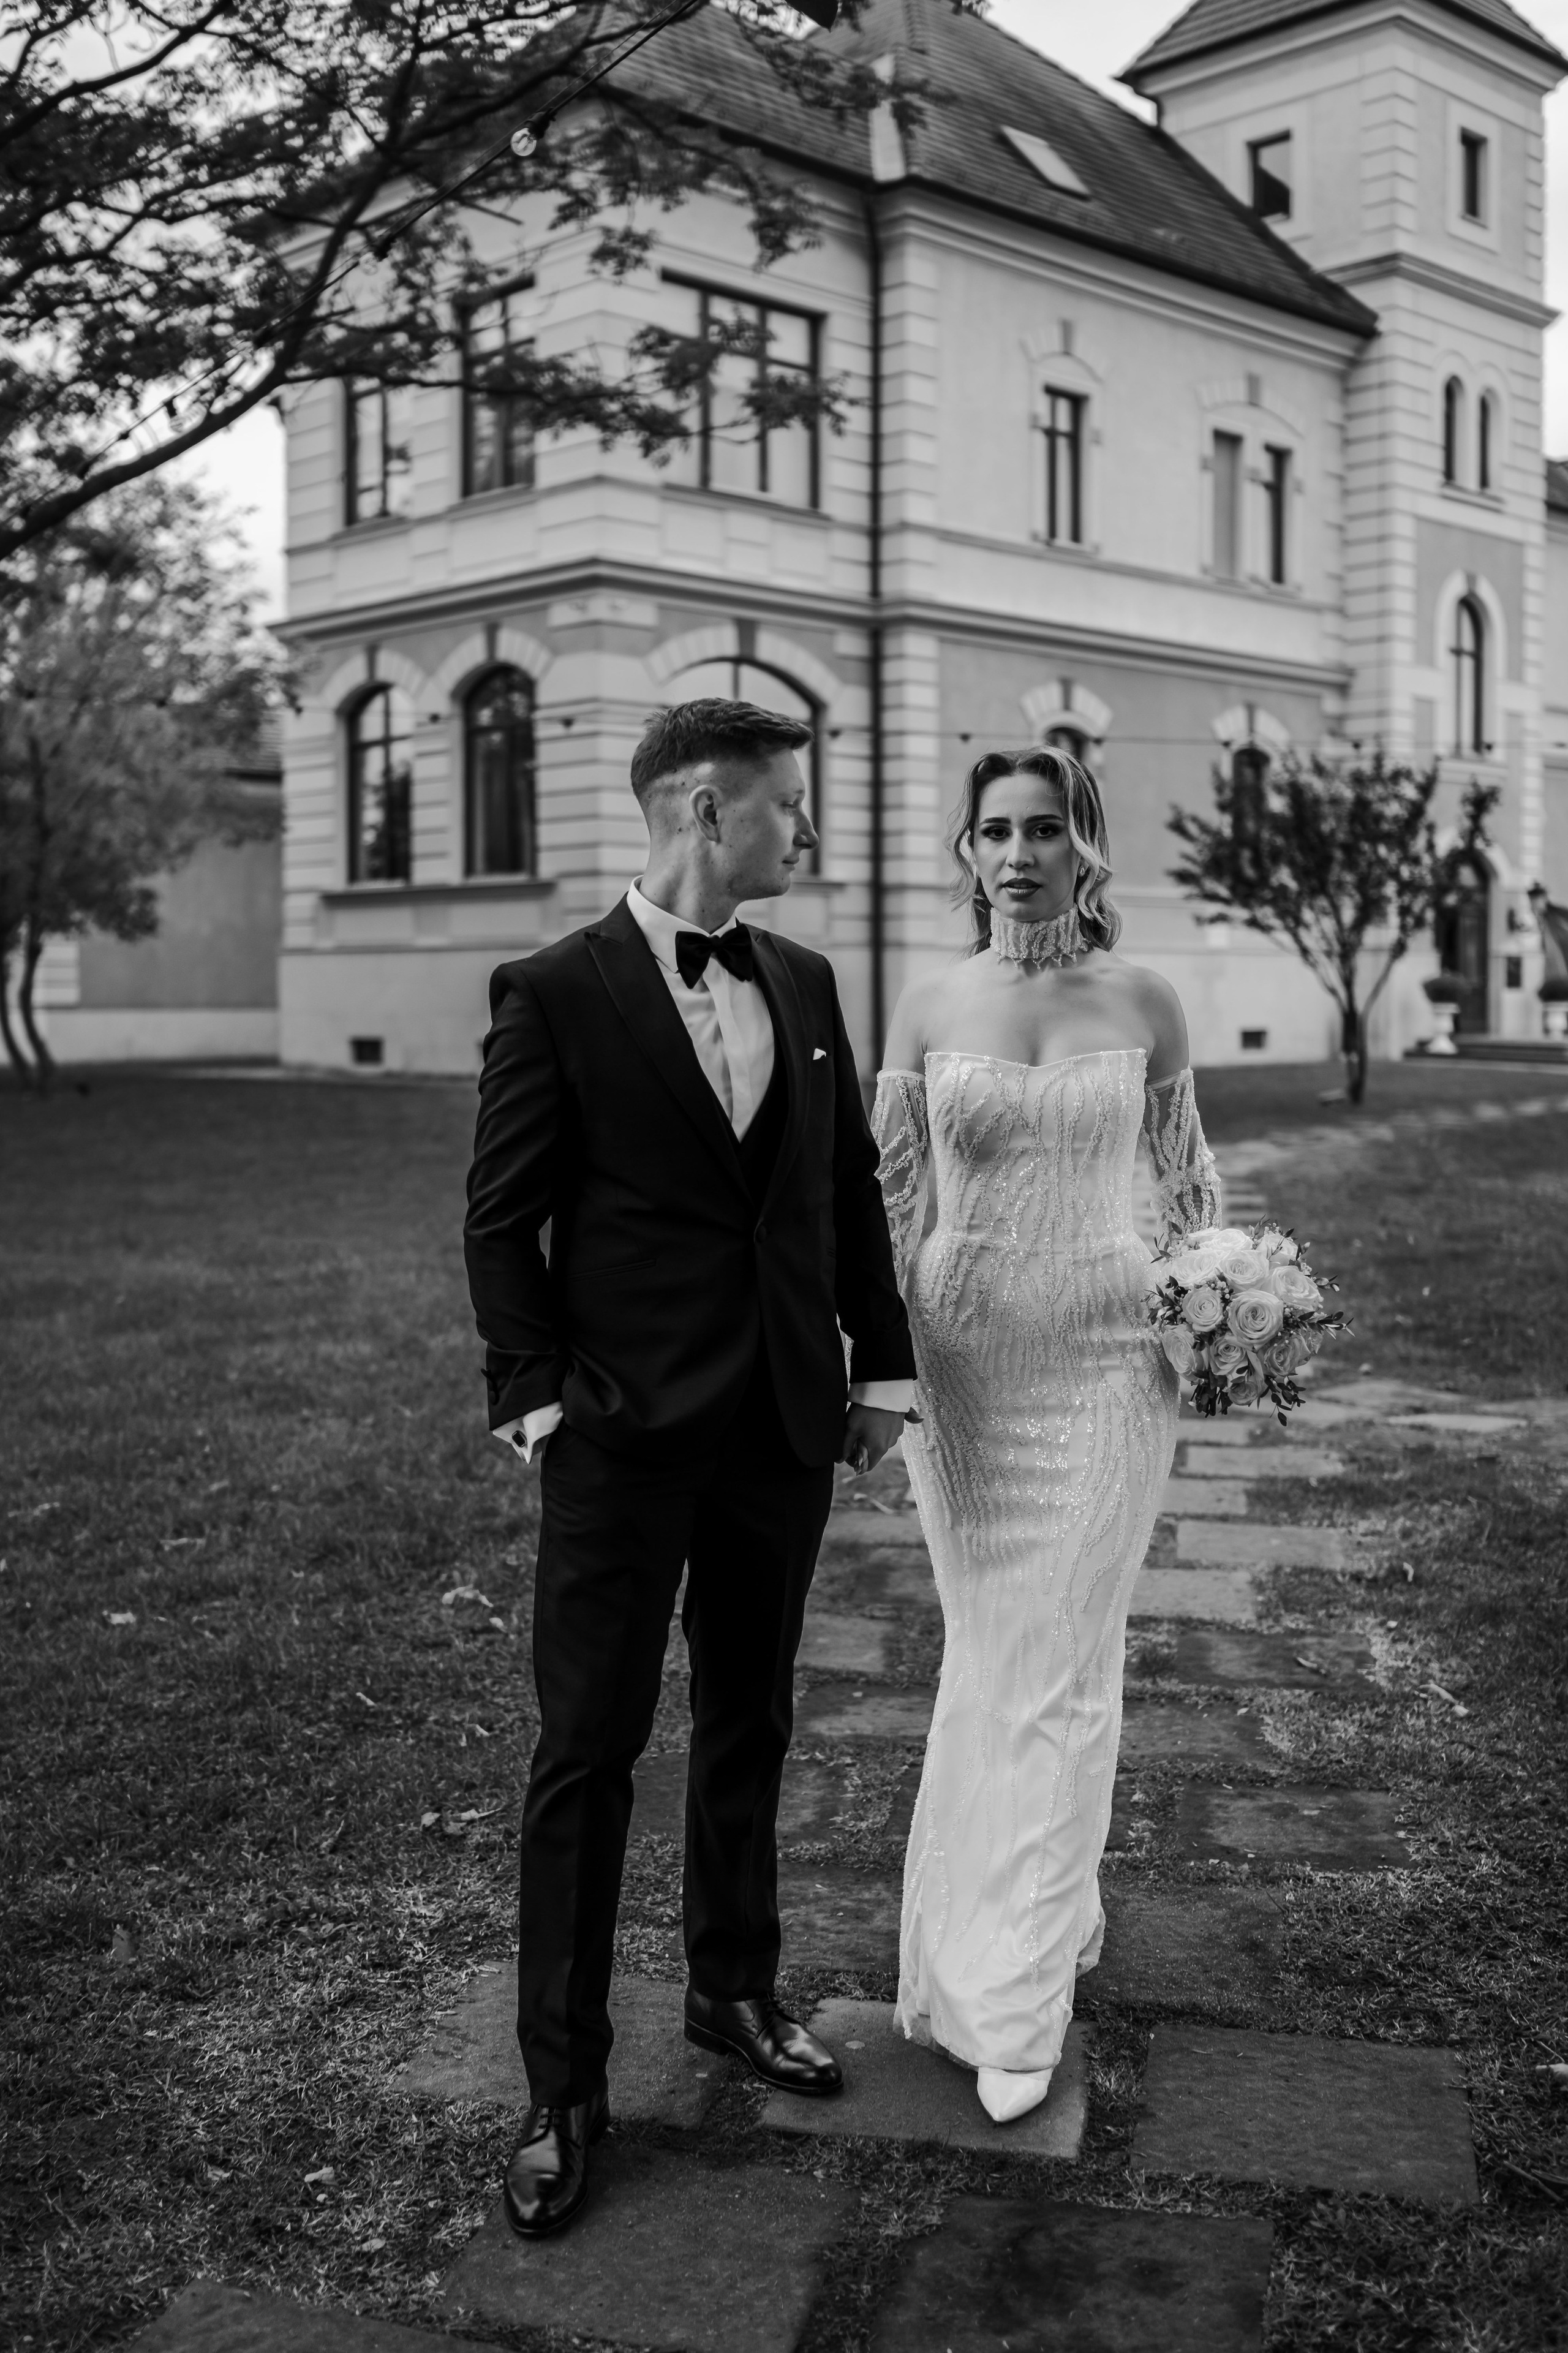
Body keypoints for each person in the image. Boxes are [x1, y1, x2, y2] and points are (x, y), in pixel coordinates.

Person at [464, 698, 916, 2235]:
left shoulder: (802, 977)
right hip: (619, 1437)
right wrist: (535, 1401)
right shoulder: (553, 991)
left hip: (781, 1426)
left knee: (749, 1720)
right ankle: (562, 2086)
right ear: (709, 812)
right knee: (586, 1752)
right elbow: (499, 1218)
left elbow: (841, 1186)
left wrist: (884, 1366)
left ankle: (734, 1991)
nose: (807, 832)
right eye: (789, 807)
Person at [873, 745, 1221, 2124]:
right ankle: (1028, 1915)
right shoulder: (925, 998)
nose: (1015, 854)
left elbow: (1187, 1188)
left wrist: (1216, 1311)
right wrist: (874, 1370)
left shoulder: (1141, 999)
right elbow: (887, 1195)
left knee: (1061, 1663)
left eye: (1041, 829)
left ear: (1085, 845)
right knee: (993, 1652)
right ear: (964, 851)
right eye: (991, 832)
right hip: (961, 1375)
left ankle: (1014, 1995)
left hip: (1104, 1367)